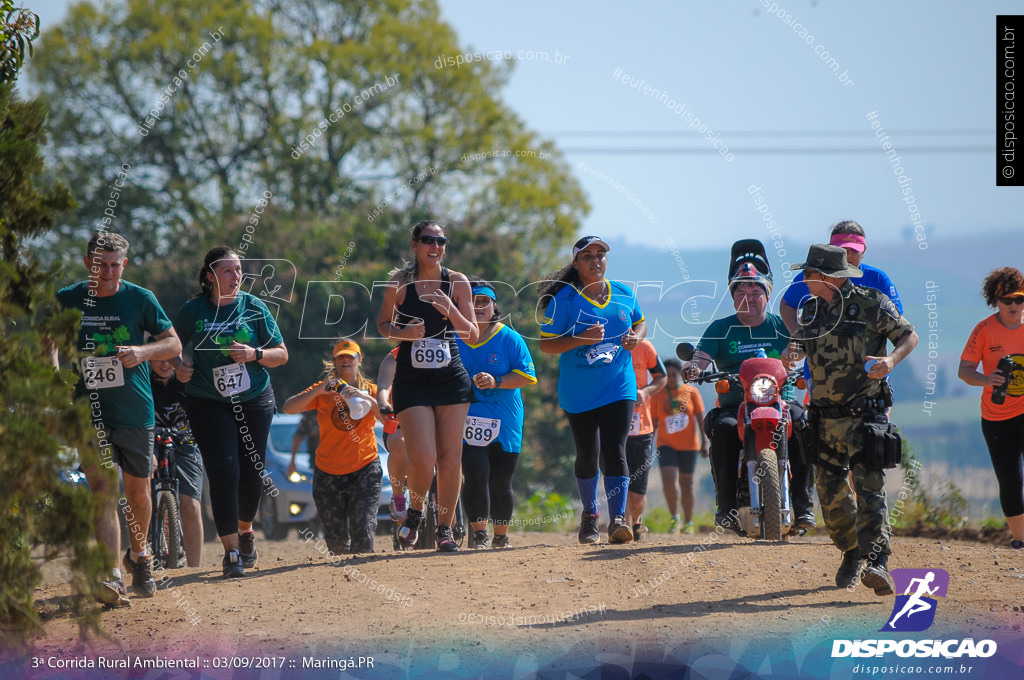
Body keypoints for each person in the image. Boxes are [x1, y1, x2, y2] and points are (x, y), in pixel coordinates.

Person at [54, 232, 182, 604]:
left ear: (124, 264)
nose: (108, 271)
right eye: (100, 264)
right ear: (87, 263)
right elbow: (49, 342)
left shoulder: (140, 298)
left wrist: (143, 351)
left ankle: (139, 556)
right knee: (102, 488)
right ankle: (110, 575)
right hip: (88, 410)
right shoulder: (67, 299)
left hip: (134, 409)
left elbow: (173, 343)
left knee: (138, 493)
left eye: (114, 264)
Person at [785, 244, 918, 595]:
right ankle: (851, 550)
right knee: (830, 496)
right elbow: (800, 345)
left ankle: (877, 562)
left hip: (864, 414)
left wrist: (890, 362)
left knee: (869, 488)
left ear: (827, 277)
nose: (804, 279)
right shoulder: (811, 309)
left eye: (808, 274)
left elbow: (909, 336)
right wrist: (792, 351)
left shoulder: (872, 302)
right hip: (823, 418)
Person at [174, 246, 289, 577]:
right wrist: (179, 365)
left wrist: (255, 354)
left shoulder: (254, 307)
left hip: (254, 396)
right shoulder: (192, 310)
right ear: (210, 277)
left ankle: (246, 530)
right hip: (207, 400)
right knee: (224, 472)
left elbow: (281, 354)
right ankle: (232, 552)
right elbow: (170, 346)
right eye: (228, 271)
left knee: (252, 473)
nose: (236, 276)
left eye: (238, 270)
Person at [689, 239, 815, 535]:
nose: (749, 297)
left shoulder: (782, 324)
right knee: (723, 429)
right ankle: (726, 508)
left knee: (802, 423)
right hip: (736, 404)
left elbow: (802, 348)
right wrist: (694, 368)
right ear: (732, 297)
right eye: (741, 291)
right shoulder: (720, 328)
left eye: (756, 290)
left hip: (780, 400)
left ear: (768, 294)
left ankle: (805, 507)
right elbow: (701, 357)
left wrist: (796, 354)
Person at [376, 221, 478, 552]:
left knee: (450, 458)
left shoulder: (457, 282)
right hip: (413, 380)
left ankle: (445, 529)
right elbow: (383, 324)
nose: (435, 246)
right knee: (422, 456)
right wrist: (404, 334)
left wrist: (451, 311)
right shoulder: (400, 283)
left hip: (451, 378)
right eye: (428, 240)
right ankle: (416, 513)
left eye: (441, 241)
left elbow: (472, 335)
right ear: (414, 245)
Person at [539, 236, 646, 545]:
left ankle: (617, 519)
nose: (595, 260)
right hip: (579, 391)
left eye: (600, 255)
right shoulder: (564, 301)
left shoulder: (624, 293)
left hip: (619, 385)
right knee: (588, 454)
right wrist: (580, 339)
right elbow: (547, 344)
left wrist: (636, 339)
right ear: (576, 264)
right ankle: (589, 515)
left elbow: (641, 323)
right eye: (587, 256)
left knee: (615, 448)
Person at [455, 279, 537, 549]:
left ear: (494, 306)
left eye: (484, 302)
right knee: (476, 476)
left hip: (506, 420)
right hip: (467, 420)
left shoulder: (510, 338)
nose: (478, 307)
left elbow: (526, 376)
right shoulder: (454, 338)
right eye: (472, 302)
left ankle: (501, 535)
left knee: (501, 481)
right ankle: (479, 533)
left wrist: (496, 381)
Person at [282, 340, 383, 554]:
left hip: (365, 469)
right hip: (328, 473)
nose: (346, 360)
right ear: (334, 362)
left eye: (351, 356)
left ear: (359, 360)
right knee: (336, 541)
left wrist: (369, 400)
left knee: (363, 532)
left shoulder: (372, 390)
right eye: (341, 357)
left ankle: (362, 580)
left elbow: (390, 421)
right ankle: (343, 583)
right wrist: (318, 391)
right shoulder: (324, 392)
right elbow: (289, 407)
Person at [957, 267, 1024, 550]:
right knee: (1010, 480)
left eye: (1019, 298)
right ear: (994, 300)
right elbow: (964, 371)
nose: (1013, 305)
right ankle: (1021, 540)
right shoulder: (984, 330)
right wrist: (988, 379)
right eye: (1006, 299)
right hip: (998, 417)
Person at [779, 221, 903, 334]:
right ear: (831, 248)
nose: (848, 256)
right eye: (842, 250)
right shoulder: (811, 277)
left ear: (864, 251)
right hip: (817, 359)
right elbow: (787, 305)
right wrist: (801, 340)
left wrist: (890, 358)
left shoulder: (877, 279)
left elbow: (898, 323)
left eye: (854, 250)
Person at [150, 355, 204, 566]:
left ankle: (194, 569)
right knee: (141, 492)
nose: (164, 364)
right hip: (150, 441)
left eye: (169, 360)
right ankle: (141, 555)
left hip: (185, 442)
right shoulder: (143, 382)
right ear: (149, 361)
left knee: (190, 506)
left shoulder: (189, 381)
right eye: (158, 359)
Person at [651, 358, 709, 534]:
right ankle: (674, 518)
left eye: (674, 375)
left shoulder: (691, 392)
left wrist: (705, 441)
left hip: (689, 445)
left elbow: (700, 418)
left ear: (681, 376)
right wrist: (647, 447)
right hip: (665, 443)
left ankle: (688, 522)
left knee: (686, 483)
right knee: (668, 479)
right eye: (667, 376)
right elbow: (654, 422)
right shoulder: (658, 394)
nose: (671, 379)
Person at [624, 338, 667, 541]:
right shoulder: (601, 342)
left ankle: (637, 520)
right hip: (610, 426)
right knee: (616, 481)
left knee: (636, 496)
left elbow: (661, 376)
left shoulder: (645, 346)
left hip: (641, 429)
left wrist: (645, 391)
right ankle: (620, 524)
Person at [376, 346, 409, 523]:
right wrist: (383, 402)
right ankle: (398, 498)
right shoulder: (393, 358)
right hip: (400, 417)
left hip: (434, 417)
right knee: (398, 443)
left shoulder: (445, 351)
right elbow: (383, 386)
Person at [287, 410, 320, 478]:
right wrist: (292, 461)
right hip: (317, 458)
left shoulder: (339, 410)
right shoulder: (310, 416)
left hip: (339, 458)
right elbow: (298, 438)